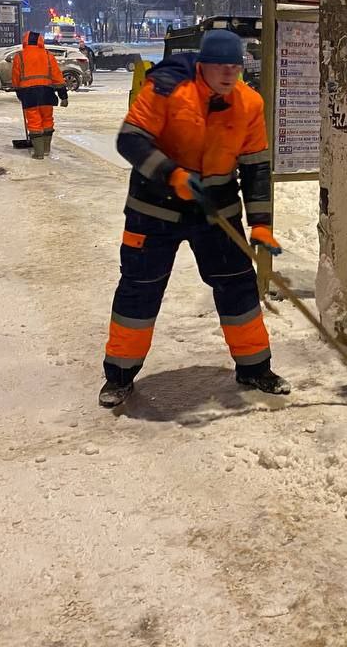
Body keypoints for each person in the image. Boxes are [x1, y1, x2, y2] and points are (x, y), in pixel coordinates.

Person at [99, 29, 289, 409]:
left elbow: (256, 168)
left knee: (238, 287)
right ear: (202, 65)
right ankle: (119, 376)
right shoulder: (168, 89)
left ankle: (254, 367)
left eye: (235, 66)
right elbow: (130, 140)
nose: (229, 73)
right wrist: (172, 175)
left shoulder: (249, 104)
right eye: (220, 66)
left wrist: (261, 222)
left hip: (216, 211)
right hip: (154, 208)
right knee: (140, 287)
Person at [11, 31, 68, 159]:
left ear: (25, 41)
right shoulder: (48, 55)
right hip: (47, 93)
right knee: (47, 120)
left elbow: (16, 77)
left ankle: (39, 152)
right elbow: (57, 76)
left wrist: (19, 92)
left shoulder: (19, 56)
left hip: (29, 94)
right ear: (40, 41)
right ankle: (47, 148)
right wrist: (63, 95)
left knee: (34, 122)